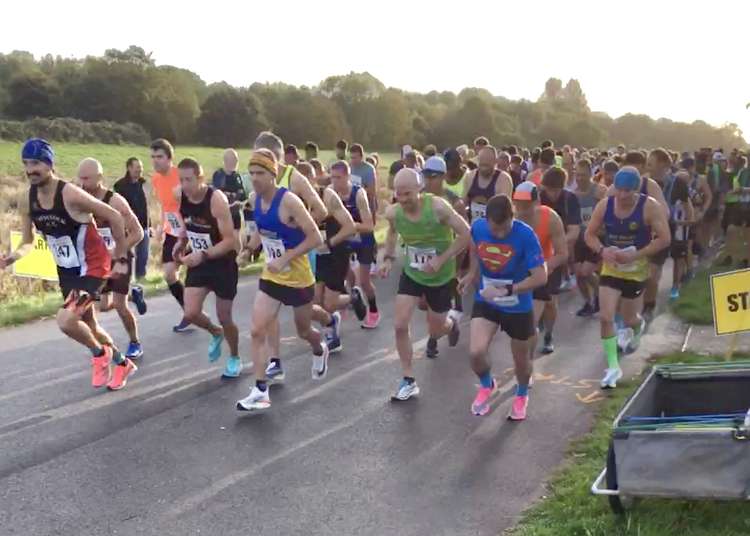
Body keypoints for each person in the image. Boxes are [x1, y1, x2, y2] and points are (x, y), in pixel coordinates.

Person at [1, 139, 136, 390]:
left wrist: (120, 257)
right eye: (26, 164)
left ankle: (99, 355)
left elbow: (115, 216)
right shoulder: (26, 199)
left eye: (37, 163)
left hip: (93, 267)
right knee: (90, 325)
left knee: (65, 320)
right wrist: (14, 256)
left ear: (49, 164)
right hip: (68, 270)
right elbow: (28, 241)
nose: (31, 169)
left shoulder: (70, 193)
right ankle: (121, 361)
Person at [236, 150, 329, 412]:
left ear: (273, 174)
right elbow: (262, 233)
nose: (254, 179)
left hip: (298, 278)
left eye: (260, 174)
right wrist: (248, 251)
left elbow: (315, 238)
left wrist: (286, 257)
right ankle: (260, 390)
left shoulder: (289, 201)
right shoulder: (254, 199)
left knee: (303, 331)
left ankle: (319, 346)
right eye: (251, 173)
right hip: (272, 276)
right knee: (256, 330)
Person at [379, 168, 469, 401]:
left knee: (436, 329)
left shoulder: (438, 208)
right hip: (413, 273)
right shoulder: (394, 212)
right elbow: (391, 233)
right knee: (400, 325)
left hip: (440, 277)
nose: (403, 199)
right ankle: (408, 380)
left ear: (420, 190)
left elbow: (465, 234)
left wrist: (441, 259)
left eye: (408, 193)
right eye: (398, 194)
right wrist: (388, 258)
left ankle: (451, 324)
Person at [457, 194, 547, 419]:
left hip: (517, 304)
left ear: (512, 218)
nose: (499, 234)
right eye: (495, 229)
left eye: (504, 229)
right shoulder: (478, 228)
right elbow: (476, 251)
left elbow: (540, 277)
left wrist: (508, 290)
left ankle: (522, 394)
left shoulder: (525, 235)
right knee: (476, 353)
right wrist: (471, 274)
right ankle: (488, 385)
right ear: (486, 220)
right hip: (487, 299)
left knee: (521, 362)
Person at [252, 131, 328, 382]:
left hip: (299, 258)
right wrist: (249, 248)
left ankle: (327, 325)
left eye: (267, 159)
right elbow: (260, 228)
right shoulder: (257, 188)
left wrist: (294, 228)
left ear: (278, 159)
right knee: (263, 321)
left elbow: (320, 210)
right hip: (274, 266)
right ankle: (272, 366)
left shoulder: (294, 180)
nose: (257, 172)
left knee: (303, 327)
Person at [585, 167, 671, 388]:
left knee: (629, 317)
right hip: (611, 268)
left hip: (635, 270)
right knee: (606, 317)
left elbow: (664, 239)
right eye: (619, 190)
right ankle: (613, 367)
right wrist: (603, 251)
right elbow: (589, 234)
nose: (622, 196)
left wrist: (637, 254)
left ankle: (637, 325)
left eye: (627, 192)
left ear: (636, 190)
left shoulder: (649, 206)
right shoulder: (605, 205)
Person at [171, 158, 243, 378]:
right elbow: (187, 223)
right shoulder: (179, 194)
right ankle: (215, 332)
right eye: (181, 179)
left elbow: (230, 241)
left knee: (225, 316)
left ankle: (234, 356)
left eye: (189, 180)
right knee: (190, 312)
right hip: (199, 261)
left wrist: (202, 254)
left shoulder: (216, 200)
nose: (184, 185)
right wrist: (181, 242)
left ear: (201, 179)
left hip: (222, 262)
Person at [78, 158, 145, 361]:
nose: (82, 184)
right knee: (104, 306)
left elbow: (138, 233)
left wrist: (117, 250)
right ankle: (134, 293)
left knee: (120, 304)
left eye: (87, 179)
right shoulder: (79, 200)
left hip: (120, 258)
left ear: (99, 178)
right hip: (99, 262)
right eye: (80, 179)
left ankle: (135, 342)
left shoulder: (115, 201)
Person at [308, 160, 364, 352]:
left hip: (337, 253)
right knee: (315, 302)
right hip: (319, 255)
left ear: (313, 181)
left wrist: (329, 242)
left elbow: (350, 228)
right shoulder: (294, 200)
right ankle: (332, 332)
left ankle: (352, 299)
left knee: (329, 304)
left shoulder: (328, 196)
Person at [513, 182, 568, 361]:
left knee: (550, 305)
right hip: (522, 270)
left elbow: (562, 253)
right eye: (518, 204)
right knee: (527, 323)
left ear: (536, 201)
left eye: (526, 205)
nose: (522, 209)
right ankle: (526, 363)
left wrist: (545, 268)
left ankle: (549, 334)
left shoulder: (550, 218)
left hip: (547, 266)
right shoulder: (511, 218)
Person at [333, 157, 380, 328]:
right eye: (332, 178)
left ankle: (374, 311)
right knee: (344, 273)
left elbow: (368, 225)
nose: (334, 182)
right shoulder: (332, 193)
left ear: (348, 177)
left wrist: (350, 226)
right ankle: (352, 298)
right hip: (347, 239)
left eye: (338, 178)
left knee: (365, 281)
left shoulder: (358, 194)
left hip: (364, 240)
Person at [538, 167, 581, 352]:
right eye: (549, 189)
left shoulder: (570, 200)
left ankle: (548, 334)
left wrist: (557, 244)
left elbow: (574, 231)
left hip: (556, 252)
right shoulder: (538, 197)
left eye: (556, 190)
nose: (552, 194)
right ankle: (537, 322)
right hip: (536, 252)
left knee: (549, 299)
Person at [150, 138, 190, 332]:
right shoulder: (156, 179)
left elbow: (199, 200)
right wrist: (160, 225)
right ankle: (189, 312)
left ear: (169, 158)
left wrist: (184, 195)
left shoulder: (181, 176)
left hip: (190, 231)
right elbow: (166, 206)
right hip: (172, 231)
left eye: (159, 157)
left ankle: (195, 310)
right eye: (153, 157)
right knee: (169, 274)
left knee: (197, 273)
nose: (155, 161)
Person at [642, 148, 677, 319]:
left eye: (651, 162)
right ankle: (639, 304)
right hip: (643, 232)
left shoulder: (676, 182)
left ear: (662, 164)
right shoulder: (642, 183)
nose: (648, 166)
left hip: (664, 230)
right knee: (642, 272)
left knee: (653, 272)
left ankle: (649, 305)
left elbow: (685, 203)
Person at [573, 158, 608, 316]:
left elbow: (609, 212)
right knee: (579, 275)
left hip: (594, 238)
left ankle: (600, 296)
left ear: (590, 174)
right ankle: (588, 303)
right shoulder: (572, 195)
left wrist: (602, 228)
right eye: (577, 175)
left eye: (583, 175)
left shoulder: (599, 192)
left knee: (586, 272)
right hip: (578, 240)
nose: (580, 178)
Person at [113, 158, 150, 304]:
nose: (139, 170)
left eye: (141, 168)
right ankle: (131, 284)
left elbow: (145, 206)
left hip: (144, 226)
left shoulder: (143, 184)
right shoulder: (120, 186)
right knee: (131, 256)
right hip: (128, 228)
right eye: (136, 168)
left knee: (144, 256)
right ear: (129, 168)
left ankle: (140, 284)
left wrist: (150, 225)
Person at [463, 146, 513, 221]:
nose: (483, 169)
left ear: (495, 162)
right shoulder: (470, 176)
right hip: (473, 226)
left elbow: (504, 212)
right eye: (481, 165)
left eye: (487, 165)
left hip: (495, 227)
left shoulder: (504, 180)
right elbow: (463, 203)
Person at [668, 174, 695, 299]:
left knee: (678, 260)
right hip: (670, 231)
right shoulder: (669, 197)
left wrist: (677, 222)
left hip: (680, 234)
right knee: (674, 259)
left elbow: (691, 220)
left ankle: (675, 287)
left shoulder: (686, 200)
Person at [212, 148, 248, 234]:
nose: (236, 162)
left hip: (235, 213)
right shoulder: (219, 175)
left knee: (236, 237)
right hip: (223, 214)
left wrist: (235, 196)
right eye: (234, 160)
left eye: (236, 160)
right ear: (226, 161)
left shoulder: (237, 176)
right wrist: (234, 195)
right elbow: (218, 194)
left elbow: (242, 195)